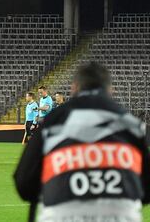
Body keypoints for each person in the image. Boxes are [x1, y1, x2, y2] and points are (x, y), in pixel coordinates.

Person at [14, 62, 150, 222]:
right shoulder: (131, 124)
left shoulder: (53, 120)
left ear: (74, 88)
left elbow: (24, 184)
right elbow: (146, 190)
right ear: (110, 90)